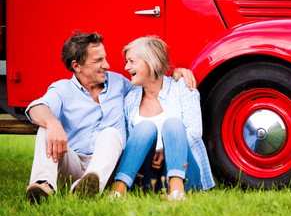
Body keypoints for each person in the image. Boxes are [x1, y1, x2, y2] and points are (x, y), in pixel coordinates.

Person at [25, 32, 196, 203]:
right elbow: (36, 108)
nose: (107, 65)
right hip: (72, 161)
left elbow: (151, 83)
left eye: (104, 58)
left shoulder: (119, 84)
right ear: (77, 66)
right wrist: (53, 123)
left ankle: (87, 187)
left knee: (111, 133)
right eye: (98, 60)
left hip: (106, 165)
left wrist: (176, 72)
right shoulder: (62, 89)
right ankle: (43, 184)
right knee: (44, 129)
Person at [111, 36, 215, 201]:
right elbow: (130, 143)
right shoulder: (130, 99)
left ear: (150, 62)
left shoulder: (181, 87)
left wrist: (166, 151)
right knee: (145, 128)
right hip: (148, 177)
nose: (126, 66)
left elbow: (194, 132)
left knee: (173, 124)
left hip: (185, 171)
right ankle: (118, 191)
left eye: (131, 61)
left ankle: (176, 191)